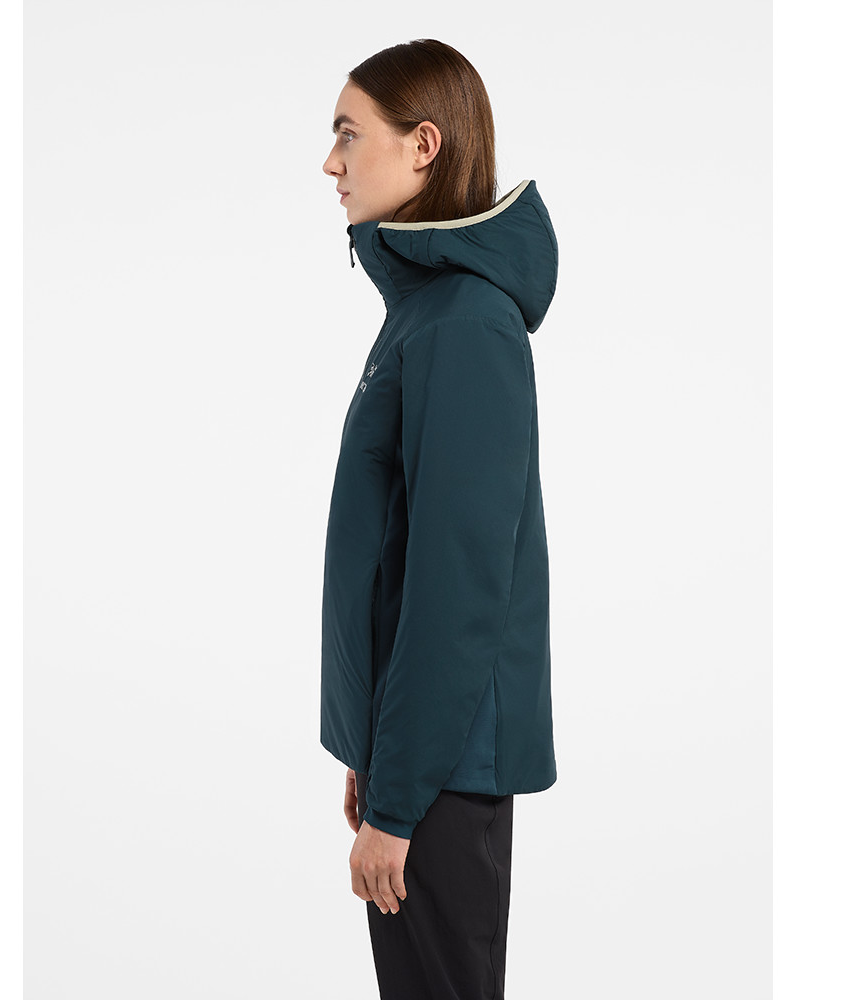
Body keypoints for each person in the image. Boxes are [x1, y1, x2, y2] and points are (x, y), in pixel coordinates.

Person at [319, 38, 558, 1000]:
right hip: (422, 763)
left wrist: (404, 793)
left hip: (447, 771)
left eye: (348, 134)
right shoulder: (423, 314)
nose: (330, 162)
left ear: (423, 145)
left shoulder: (463, 322)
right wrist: (377, 757)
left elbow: (457, 586)